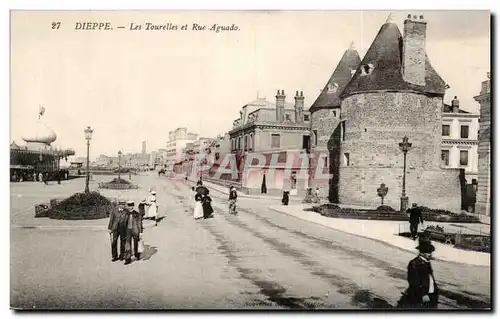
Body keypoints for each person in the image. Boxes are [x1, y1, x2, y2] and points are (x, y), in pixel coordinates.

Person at [398, 237, 439, 308]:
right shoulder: (414, 263)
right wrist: (423, 294)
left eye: (430, 252)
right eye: (428, 252)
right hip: (419, 297)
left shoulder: (427, 262)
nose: (430, 254)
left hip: (430, 296)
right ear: (421, 253)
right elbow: (413, 282)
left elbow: (430, 278)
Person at [123, 201, 143, 265]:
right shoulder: (125, 213)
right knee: (127, 244)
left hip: (135, 230)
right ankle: (127, 259)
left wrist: (140, 232)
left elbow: (139, 224)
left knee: (136, 243)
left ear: (133, 206)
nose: (130, 207)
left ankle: (137, 255)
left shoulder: (137, 214)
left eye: (131, 206)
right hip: (128, 230)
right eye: (129, 206)